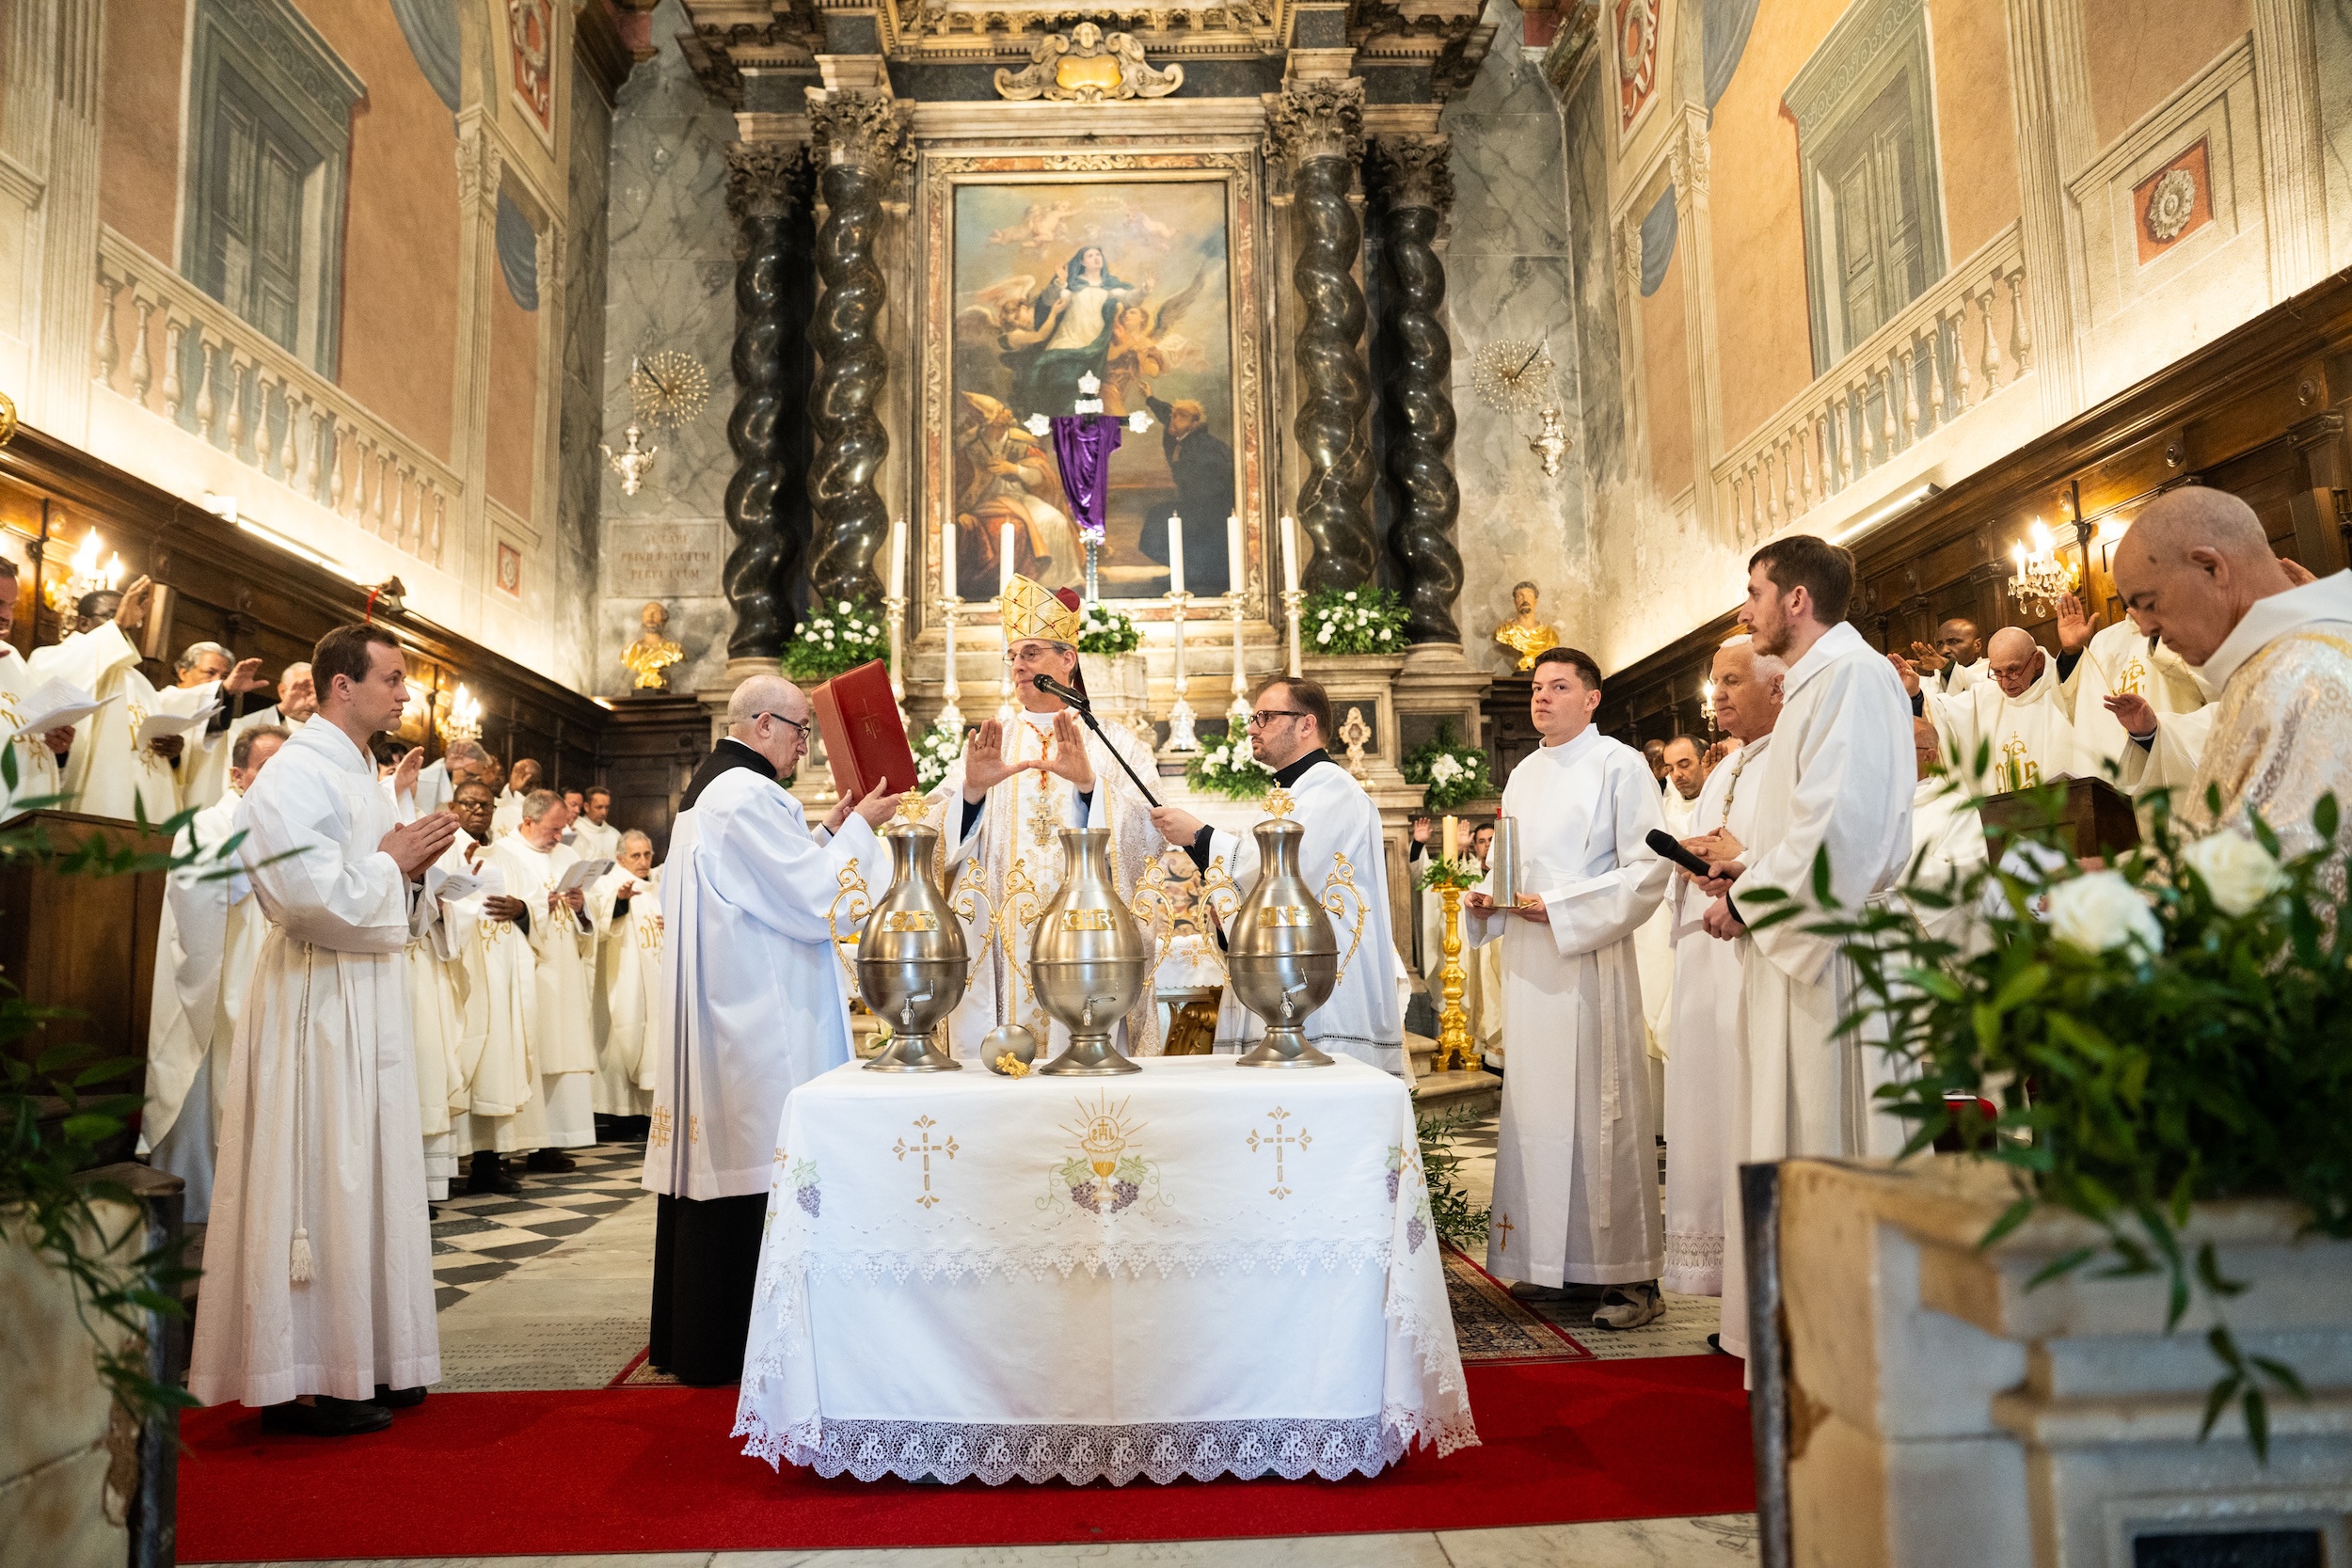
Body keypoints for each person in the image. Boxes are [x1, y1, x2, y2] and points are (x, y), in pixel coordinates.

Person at [188, 624, 459, 1435]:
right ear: (343, 684)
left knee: (367, 1171)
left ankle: (369, 1356)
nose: (405, 693)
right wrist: (392, 863)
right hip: (317, 996)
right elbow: (303, 894)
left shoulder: (358, 771)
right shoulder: (295, 773)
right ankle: (306, 1376)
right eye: (393, 678)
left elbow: (381, 880)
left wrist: (411, 870)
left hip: (366, 990)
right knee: (322, 1173)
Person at [644, 674, 896, 1386]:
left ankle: (703, 1337)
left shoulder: (716, 790)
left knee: (732, 1166)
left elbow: (764, 878)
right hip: (761, 1020)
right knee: (761, 1161)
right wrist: (862, 830)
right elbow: (815, 900)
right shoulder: (746, 794)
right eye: (799, 730)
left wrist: (828, 833)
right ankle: (746, 1344)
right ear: (761, 724)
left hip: (734, 1008)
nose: (803, 746)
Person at [1698, 535, 1914, 1365]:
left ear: (1796, 599)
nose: (1745, 607)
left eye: (1755, 590)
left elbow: (1841, 832)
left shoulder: (1852, 677)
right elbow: (1806, 827)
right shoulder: (1817, 684)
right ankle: (1804, 1351)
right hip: (1806, 943)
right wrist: (1748, 869)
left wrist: (1748, 900)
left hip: (1836, 955)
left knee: (1829, 1139)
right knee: (1794, 1140)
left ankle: (1846, 1358)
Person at [1466, 647, 1668, 1329]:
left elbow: (1647, 869)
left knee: (1601, 1114)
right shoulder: (1524, 772)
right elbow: (1508, 864)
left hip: (1587, 960)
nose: (1542, 698)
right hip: (1531, 963)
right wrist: (1488, 897)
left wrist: (1559, 906)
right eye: (1536, 687)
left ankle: (1630, 1277)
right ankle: (1557, 1264)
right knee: (1540, 1117)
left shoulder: (1620, 765)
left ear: (1592, 697)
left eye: (1558, 686)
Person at [918, 577, 1163, 1062]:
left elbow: (1151, 834)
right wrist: (972, 792)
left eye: (1030, 653)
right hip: (1001, 942)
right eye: (1012, 656)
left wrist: (1090, 786)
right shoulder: (993, 742)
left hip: (1087, 939)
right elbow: (928, 834)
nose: (1018, 666)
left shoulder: (1113, 742)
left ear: (1068, 659)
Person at [1149, 676, 1407, 1074]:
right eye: (1254, 718)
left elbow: (1286, 872)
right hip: (1289, 974)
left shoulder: (1332, 790)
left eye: (1265, 717)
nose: (1252, 729)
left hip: (1323, 990)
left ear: (1306, 724)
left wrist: (1199, 836)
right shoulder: (1294, 792)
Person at [2109, 487, 2352, 866]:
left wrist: (2115, 886)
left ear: (2211, 567)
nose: (2146, 629)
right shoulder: (2272, 664)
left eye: (2150, 604)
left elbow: (2276, 873)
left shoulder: (2303, 676)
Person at [1661, 640, 1781, 1303]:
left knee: (1750, 1108)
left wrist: (1743, 859)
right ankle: (1723, 1279)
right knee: (1712, 1108)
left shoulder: (1792, 758)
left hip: (1758, 956)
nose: (1719, 695)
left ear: (1776, 684)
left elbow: (1801, 856)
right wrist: (1695, 860)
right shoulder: (1728, 767)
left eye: (1732, 681)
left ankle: (1753, 1284)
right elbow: (1716, 851)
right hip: (1710, 956)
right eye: (1715, 684)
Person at [142, 722, 290, 1222]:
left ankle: (262, 1205)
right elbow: (194, 897)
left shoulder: (292, 827)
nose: (280, 777)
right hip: (223, 973)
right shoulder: (207, 825)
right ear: (237, 774)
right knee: (213, 1084)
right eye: (267, 767)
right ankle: (206, 1203)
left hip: (276, 975)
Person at [36, 578, 255, 823]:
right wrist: (118, 624)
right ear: (83, 623)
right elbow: (62, 686)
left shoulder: (140, 682)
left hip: (145, 808)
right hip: (98, 799)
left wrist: (174, 753)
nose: (125, 623)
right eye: (112, 615)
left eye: (126, 617)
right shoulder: (53, 658)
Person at [484, 790, 599, 1169]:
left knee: (562, 1051)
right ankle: (521, 1142)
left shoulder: (567, 856)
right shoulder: (504, 854)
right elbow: (501, 909)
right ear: (528, 822)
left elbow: (591, 915)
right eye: (553, 829)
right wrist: (535, 908)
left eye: (563, 829)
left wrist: (582, 908)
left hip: (564, 968)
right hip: (529, 968)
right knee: (531, 1051)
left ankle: (553, 1141)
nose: (559, 837)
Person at [442, 781, 537, 1196]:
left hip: (499, 976)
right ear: (453, 805)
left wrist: (522, 908)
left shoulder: (508, 858)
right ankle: (441, 1168)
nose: (479, 810)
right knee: (454, 1061)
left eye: (486, 805)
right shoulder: (442, 848)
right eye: (469, 803)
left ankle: (487, 1162)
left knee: (495, 1065)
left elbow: (535, 903)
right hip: (458, 974)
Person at [2052, 592, 2210, 788]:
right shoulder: (2103, 640)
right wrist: (2072, 654)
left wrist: (2158, 635)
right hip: (2114, 779)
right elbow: (2084, 709)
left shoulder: (2186, 624)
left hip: (2172, 765)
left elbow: (2207, 687)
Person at [1903, 626, 2073, 790]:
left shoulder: (2064, 689)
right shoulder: (1987, 694)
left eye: (2013, 671)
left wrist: (2072, 650)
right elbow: (1943, 714)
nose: (2005, 682)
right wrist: (1914, 694)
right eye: (1997, 672)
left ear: (2037, 661)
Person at [592, 831, 662, 1125]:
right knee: (623, 1036)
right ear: (620, 859)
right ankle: (620, 1114)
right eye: (636, 856)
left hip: (656, 977)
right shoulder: (608, 884)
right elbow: (598, 919)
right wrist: (618, 903)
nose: (643, 861)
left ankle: (650, 1112)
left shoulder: (658, 885)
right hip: (622, 975)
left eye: (647, 854)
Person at [1905, 717, 1989, 951]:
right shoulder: (1877, 809)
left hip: (1930, 950)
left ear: (1929, 757)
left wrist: (1888, 868)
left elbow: (1963, 880)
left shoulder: (1956, 808)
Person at [0, 555, 74, 816]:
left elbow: (30, 739)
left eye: (12, 606)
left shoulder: (13, 658)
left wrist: (58, 748)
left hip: (26, 818)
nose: (6, 616)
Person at [1139, 396, 1235, 594]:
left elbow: (1215, 480)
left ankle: (1189, 571)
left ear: (1194, 423)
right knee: (1157, 517)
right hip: (1195, 503)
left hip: (1210, 508)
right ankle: (1182, 569)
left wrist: (1183, 472)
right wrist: (1150, 399)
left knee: (1159, 520)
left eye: (1181, 417)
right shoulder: (1183, 440)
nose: (1174, 420)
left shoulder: (1204, 445)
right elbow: (1167, 414)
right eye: (1174, 415)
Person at [177, 643, 288, 810]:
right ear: (183, 673)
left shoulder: (225, 724)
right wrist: (226, 689)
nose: (219, 682)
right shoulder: (161, 701)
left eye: (224, 676)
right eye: (210, 673)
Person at [1907, 617, 1986, 694]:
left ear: (1977, 645)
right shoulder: (1927, 685)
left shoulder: (1991, 672)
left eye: (1953, 642)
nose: (1943, 651)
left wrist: (1947, 667)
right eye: (1940, 645)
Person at [492, 756, 542, 838]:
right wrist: (513, 789)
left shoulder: (540, 806)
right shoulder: (497, 801)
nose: (534, 789)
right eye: (529, 783)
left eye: (538, 784)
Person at [571, 786, 622, 862]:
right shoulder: (575, 831)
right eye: (599, 807)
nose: (604, 812)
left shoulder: (615, 834)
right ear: (586, 807)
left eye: (607, 807)